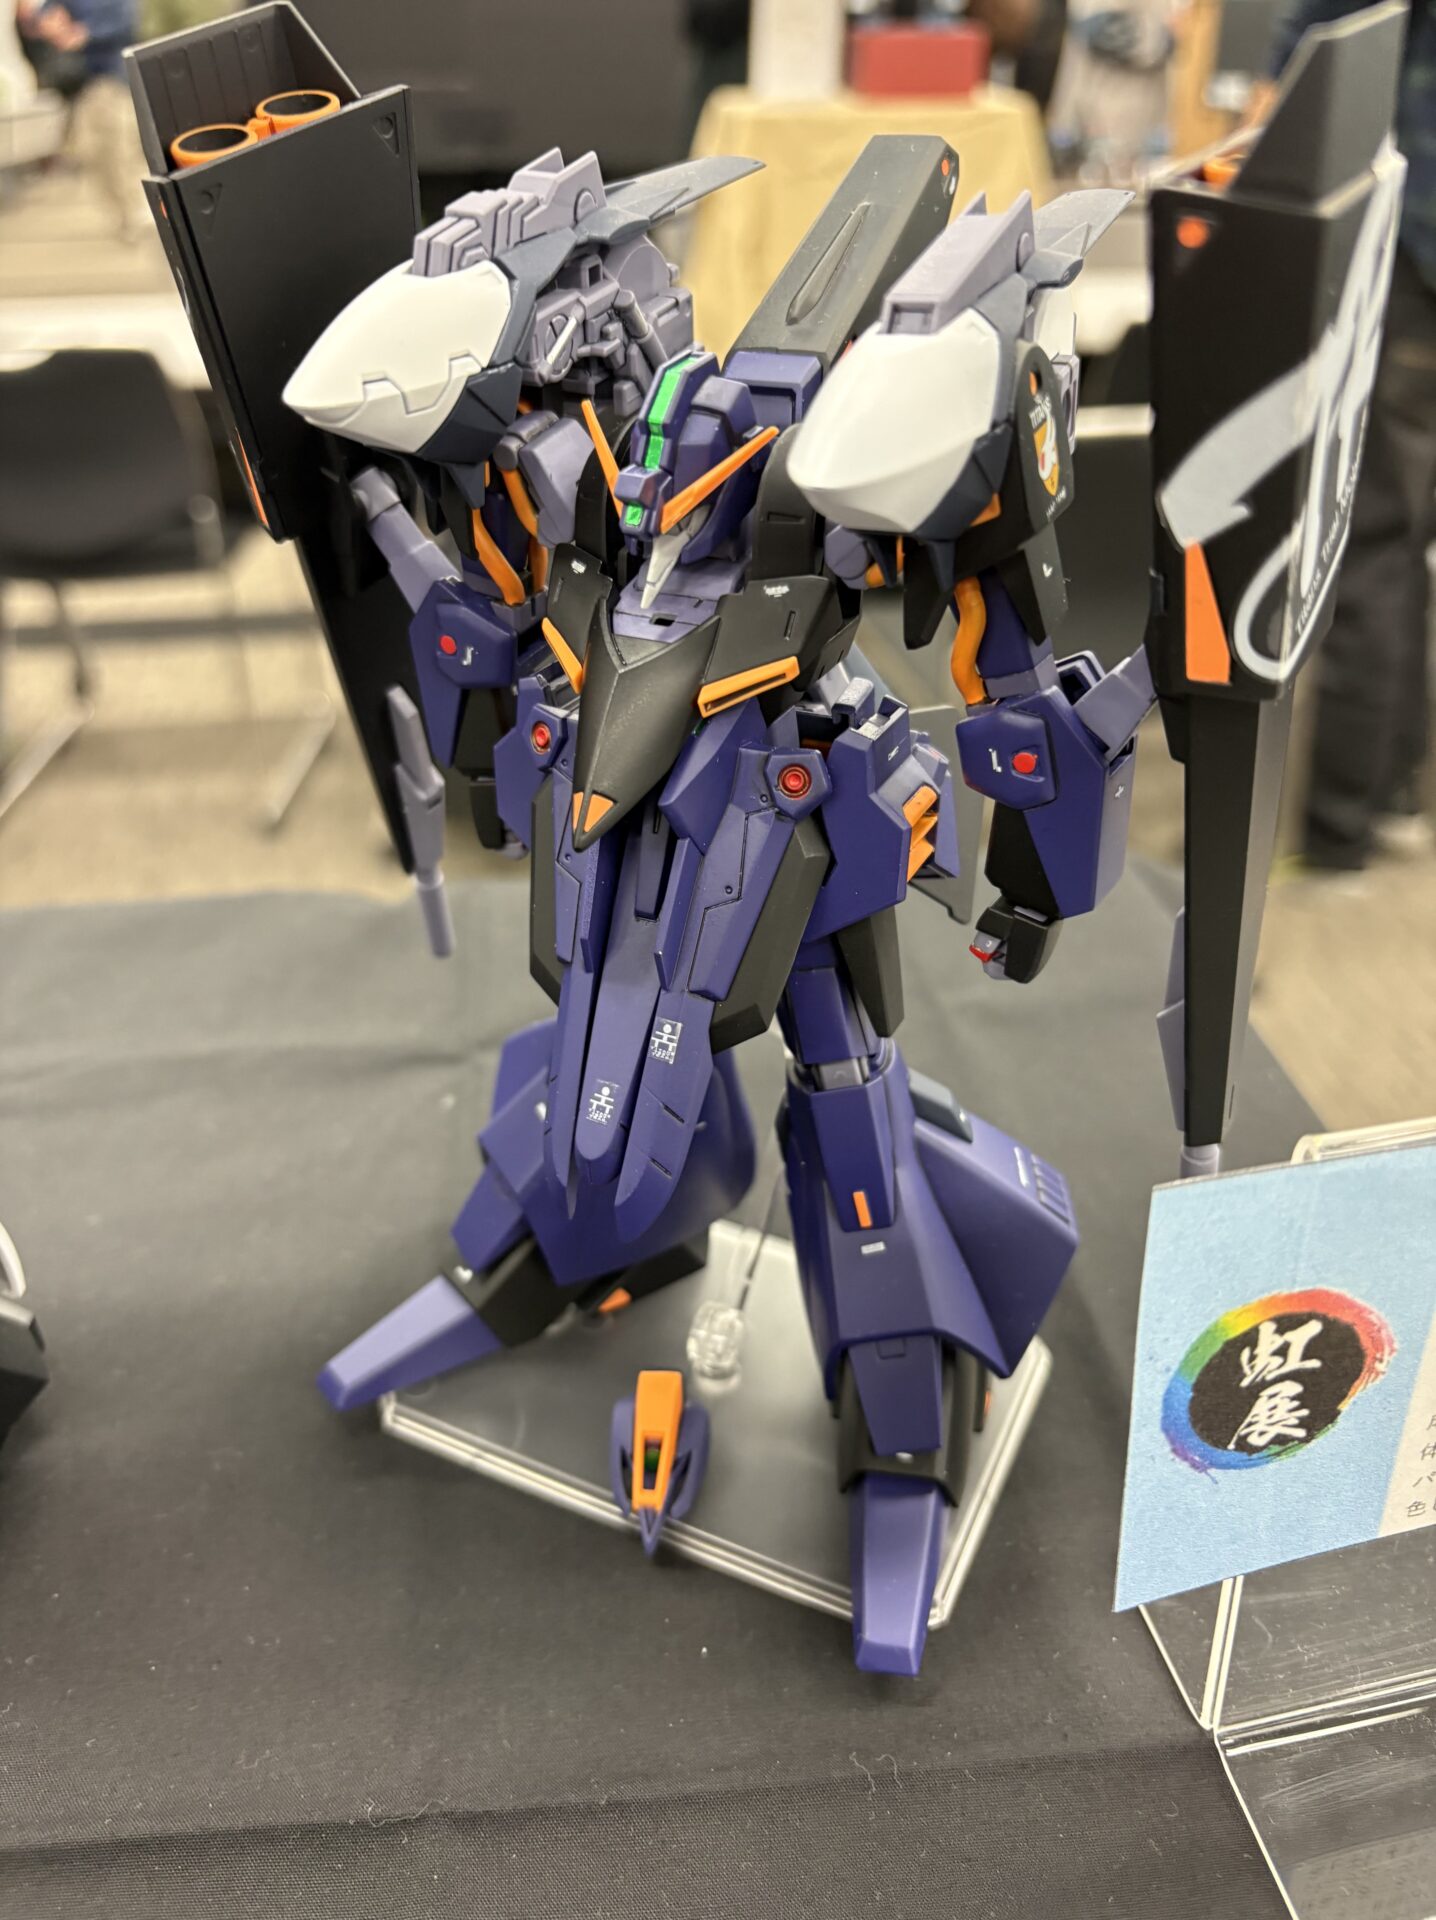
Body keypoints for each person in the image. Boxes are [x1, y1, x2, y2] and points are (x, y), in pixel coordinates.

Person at [1265, 0, 1436, 870]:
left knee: (1375, 538)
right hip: (1411, 242)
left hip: (1409, 247)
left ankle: (1341, 828)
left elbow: (1315, 55)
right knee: (1405, 535)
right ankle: (1389, 789)